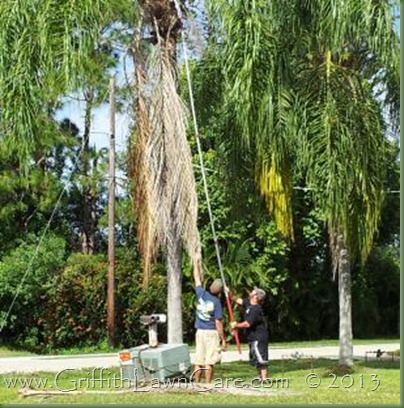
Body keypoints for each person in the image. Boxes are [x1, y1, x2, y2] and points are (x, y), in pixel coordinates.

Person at [192, 275, 227, 383]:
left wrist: (195, 262)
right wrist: (223, 338)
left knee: (199, 360)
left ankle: (196, 383)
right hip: (211, 332)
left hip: (199, 331)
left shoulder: (201, 294)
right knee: (209, 360)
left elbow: (197, 279)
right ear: (219, 291)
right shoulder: (216, 302)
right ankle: (207, 384)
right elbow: (218, 322)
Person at [230, 287, 268, 380]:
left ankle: (264, 378)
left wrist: (236, 325)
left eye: (253, 292)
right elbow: (238, 300)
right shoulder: (249, 303)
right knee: (255, 358)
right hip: (252, 337)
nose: (251, 292)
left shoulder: (256, 309)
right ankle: (260, 377)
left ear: (256, 297)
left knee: (261, 359)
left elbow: (247, 324)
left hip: (258, 337)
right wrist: (228, 293)